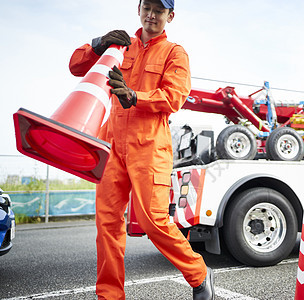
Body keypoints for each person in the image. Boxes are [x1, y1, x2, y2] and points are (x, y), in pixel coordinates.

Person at [69, 0, 214, 299]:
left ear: (170, 16)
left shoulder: (175, 53)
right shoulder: (121, 47)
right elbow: (76, 66)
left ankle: (199, 275)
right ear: (138, 8)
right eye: (147, 7)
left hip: (149, 145)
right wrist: (98, 44)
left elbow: (174, 97)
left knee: (153, 220)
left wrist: (136, 96)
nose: (151, 15)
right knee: (107, 223)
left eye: (159, 11)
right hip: (111, 143)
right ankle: (109, 296)